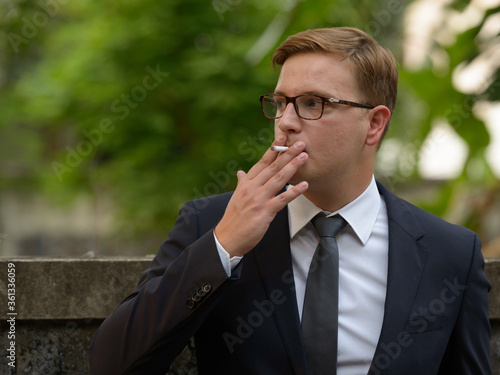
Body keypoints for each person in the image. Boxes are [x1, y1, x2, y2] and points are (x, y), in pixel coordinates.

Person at [88, 27, 491, 375]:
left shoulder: (450, 251)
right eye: (281, 102)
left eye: (313, 103)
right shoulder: (211, 221)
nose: (286, 121)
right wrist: (223, 245)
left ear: (374, 123)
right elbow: (111, 364)